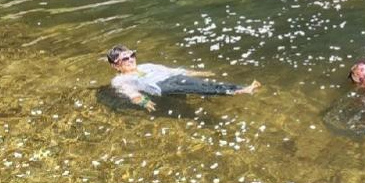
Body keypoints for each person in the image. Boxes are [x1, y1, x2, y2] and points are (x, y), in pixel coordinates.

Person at [106, 45, 260, 112]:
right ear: (115, 65)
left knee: (202, 84)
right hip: (162, 87)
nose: (131, 59)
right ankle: (242, 90)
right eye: (125, 59)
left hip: (173, 78)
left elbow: (173, 70)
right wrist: (145, 102)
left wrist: (198, 73)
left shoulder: (146, 66)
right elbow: (132, 94)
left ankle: (238, 89)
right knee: (196, 88)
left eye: (132, 55)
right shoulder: (119, 80)